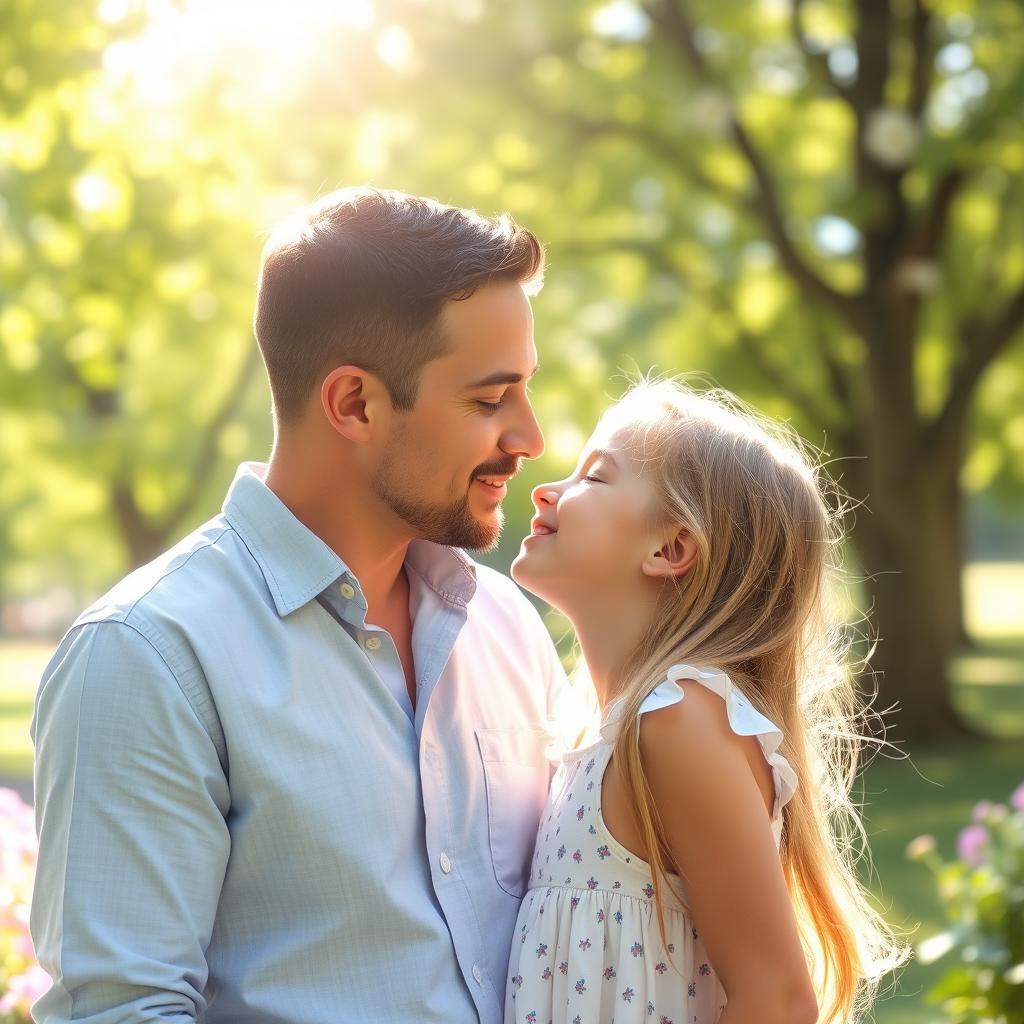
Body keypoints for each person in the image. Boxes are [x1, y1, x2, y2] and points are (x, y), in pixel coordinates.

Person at [31, 187, 581, 1024]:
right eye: (488, 398)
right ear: (354, 402)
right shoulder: (147, 655)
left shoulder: (506, 624)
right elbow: (122, 1011)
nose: (530, 437)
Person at [505, 377, 907, 1024]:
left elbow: (775, 998)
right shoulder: (603, 733)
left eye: (596, 477)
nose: (547, 489)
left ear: (670, 549)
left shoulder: (678, 718)